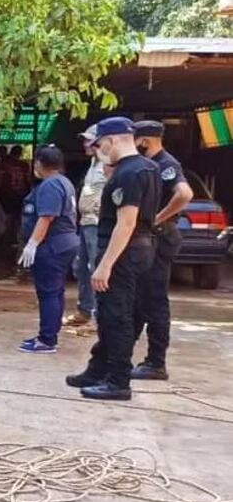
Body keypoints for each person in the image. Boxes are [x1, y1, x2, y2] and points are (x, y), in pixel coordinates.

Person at [66, 117, 161, 401]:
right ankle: (97, 369)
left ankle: (117, 380)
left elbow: (126, 223)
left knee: (114, 317)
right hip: (143, 248)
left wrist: (105, 265)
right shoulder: (149, 167)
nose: (99, 150)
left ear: (115, 139)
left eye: (101, 144)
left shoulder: (128, 174)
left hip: (122, 251)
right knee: (124, 314)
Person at [131, 120, 194, 381]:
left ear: (144, 141)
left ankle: (156, 362)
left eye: (135, 141)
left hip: (160, 238)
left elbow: (184, 194)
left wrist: (157, 218)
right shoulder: (150, 164)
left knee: (154, 301)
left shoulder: (166, 164)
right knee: (138, 298)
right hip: (150, 239)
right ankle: (122, 353)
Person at [17, 146, 79, 354]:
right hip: (64, 242)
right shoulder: (64, 182)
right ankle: (49, 335)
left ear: (40, 163)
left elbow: (46, 217)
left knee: (48, 292)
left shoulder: (51, 185)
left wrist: (32, 244)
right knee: (55, 291)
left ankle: (47, 340)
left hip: (53, 244)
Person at [65, 125, 106, 328]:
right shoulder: (93, 163)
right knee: (81, 267)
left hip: (97, 224)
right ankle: (84, 310)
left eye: (89, 140)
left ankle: (100, 316)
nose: (85, 144)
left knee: (95, 268)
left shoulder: (109, 164)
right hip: (85, 223)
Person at [0, 146, 33, 241]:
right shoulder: (24, 165)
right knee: (16, 215)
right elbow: (28, 180)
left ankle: (6, 235)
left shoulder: (3, 164)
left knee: (6, 215)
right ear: (20, 154)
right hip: (20, 194)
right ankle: (13, 235)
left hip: (5, 193)